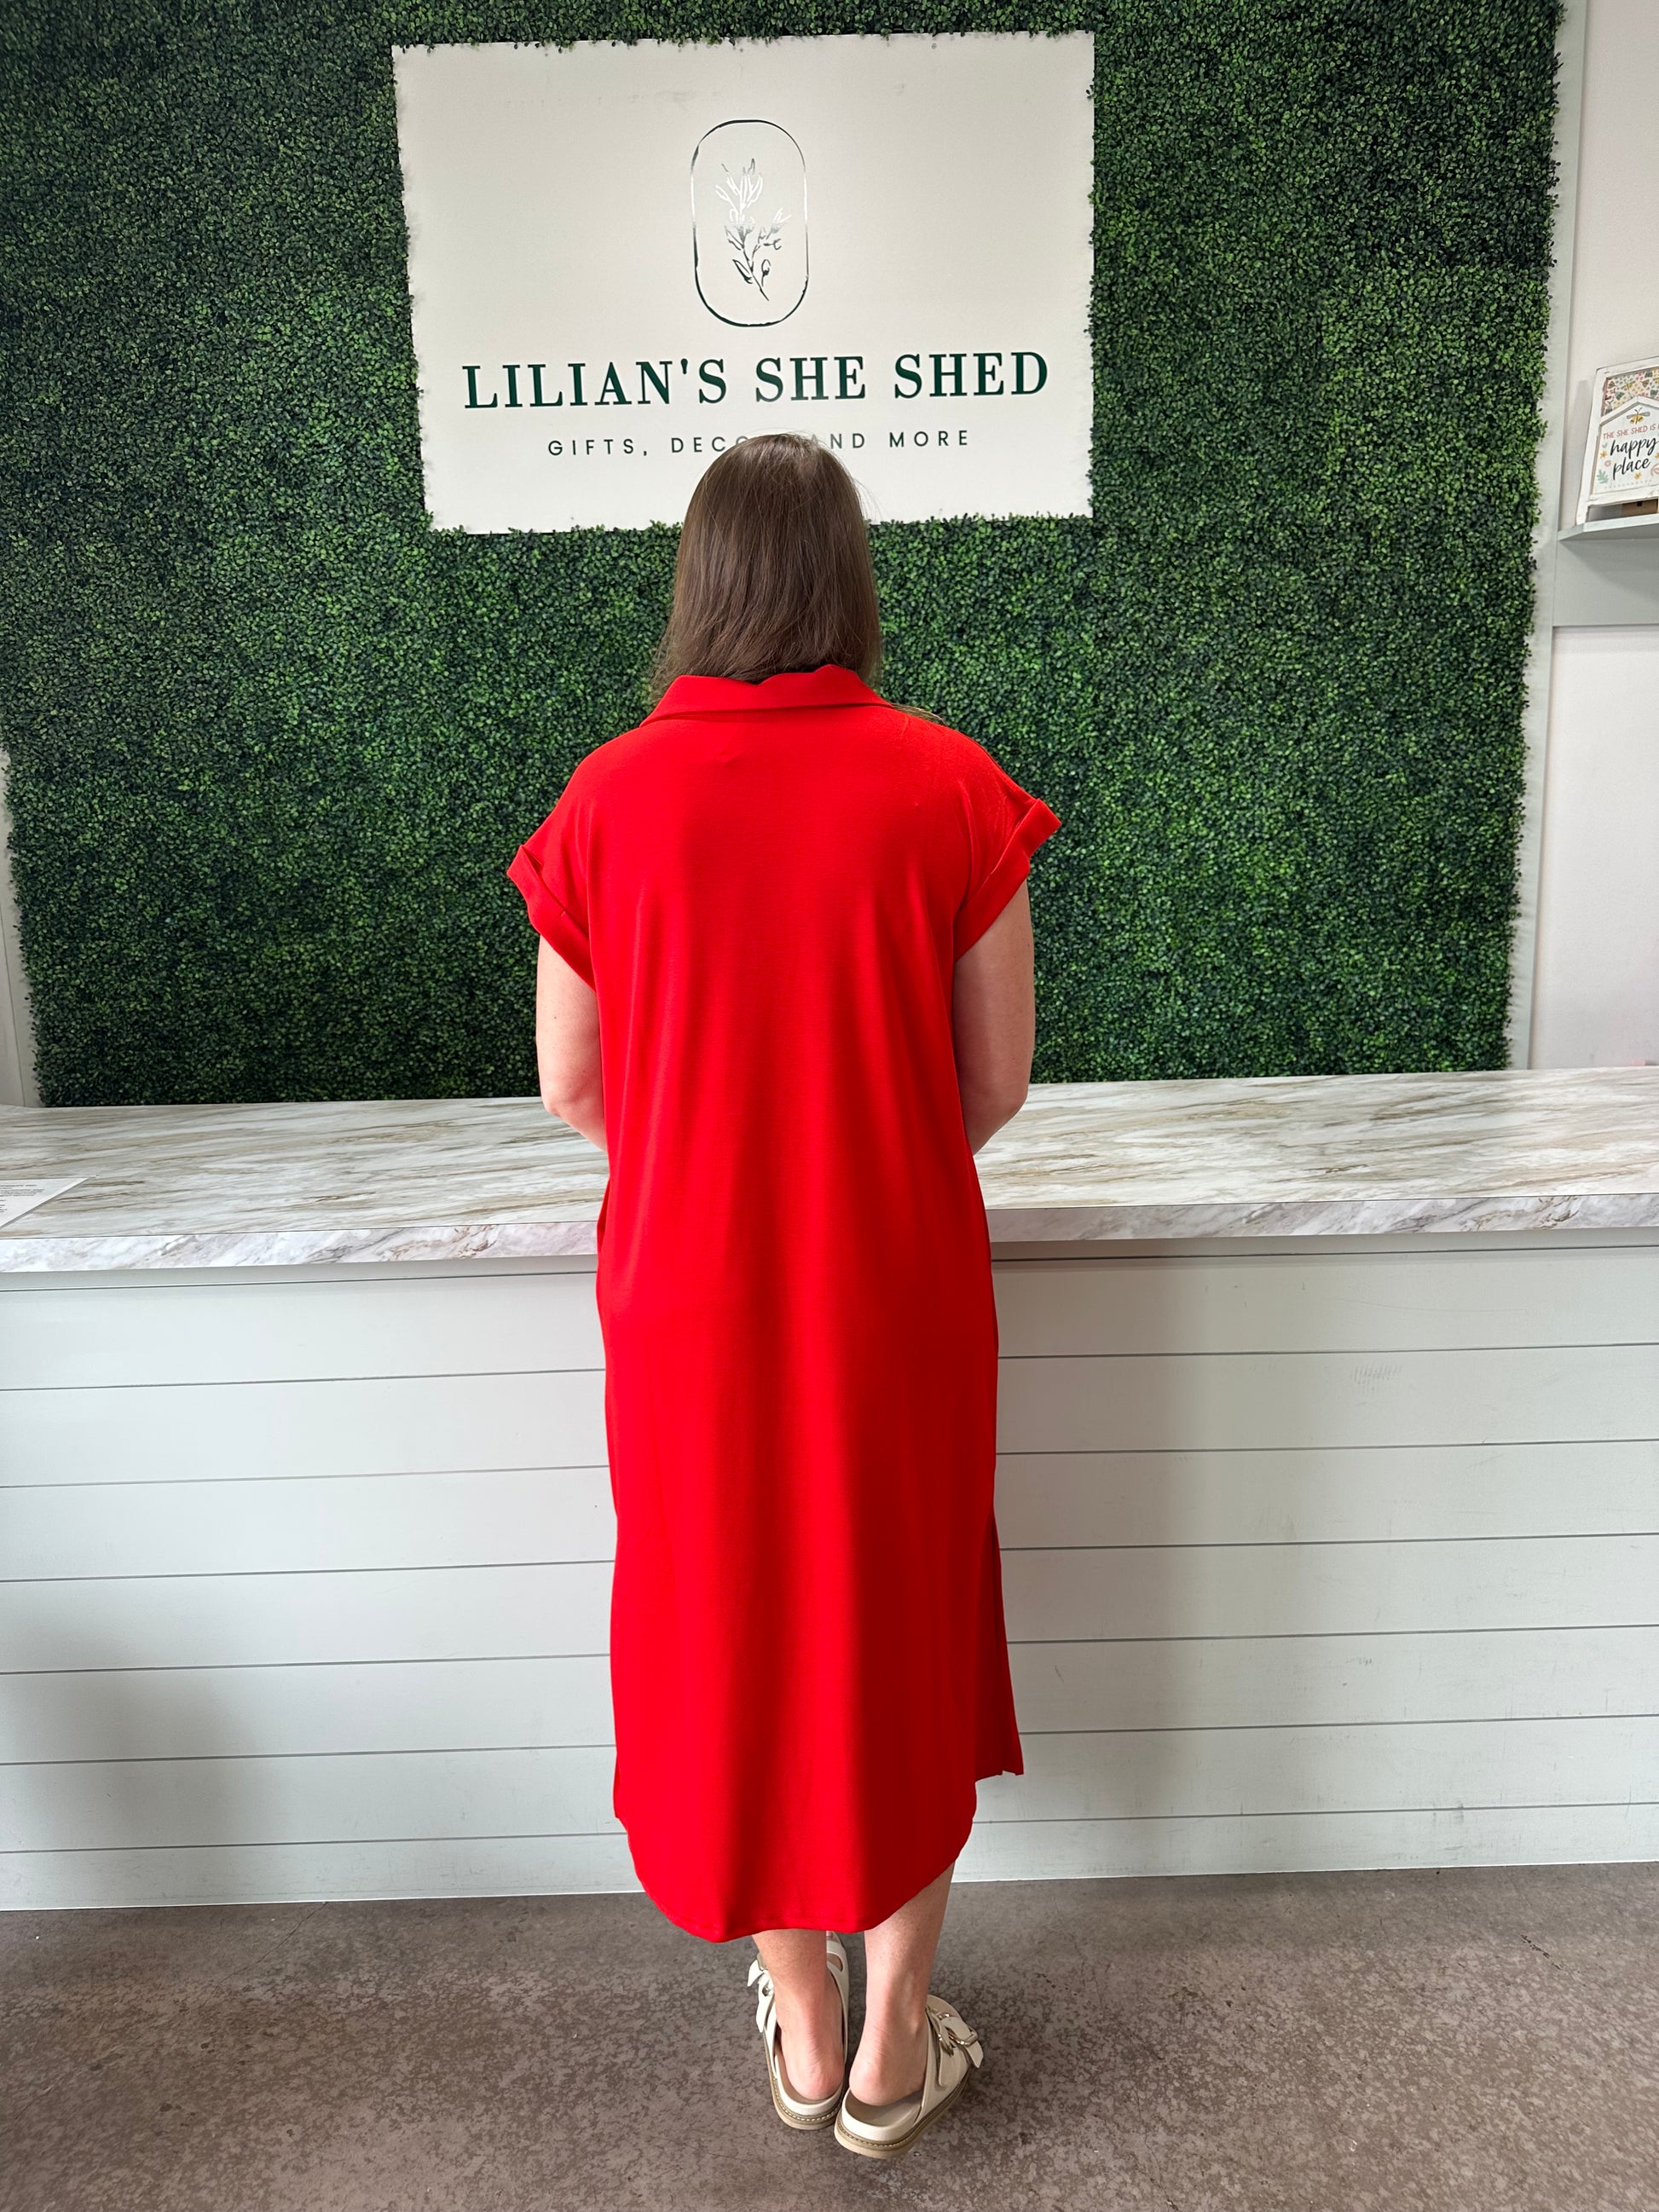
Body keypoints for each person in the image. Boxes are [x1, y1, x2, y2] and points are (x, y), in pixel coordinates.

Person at [508, 432, 1060, 2161]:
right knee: (894, 1632)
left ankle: (801, 2019)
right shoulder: (947, 785)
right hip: (891, 1291)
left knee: (726, 1627)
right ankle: (894, 2045)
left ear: (701, 583)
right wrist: (854, 1153)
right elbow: (992, 1081)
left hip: (689, 1299)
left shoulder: (608, 798)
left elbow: (571, 1083)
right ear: (848, 581)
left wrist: (711, 1154)